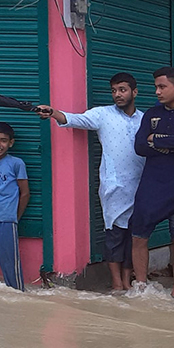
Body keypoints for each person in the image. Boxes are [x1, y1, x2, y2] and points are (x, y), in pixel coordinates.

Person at [38, 72, 144, 291]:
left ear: (135, 92)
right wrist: (53, 113)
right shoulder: (103, 114)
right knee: (115, 235)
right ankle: (116, 282)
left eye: (122, 90)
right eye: (114, 91)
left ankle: (127, 279)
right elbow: (76, 119)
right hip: (114, 188)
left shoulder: (144, 119)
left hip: (141, 187)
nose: (117, 95)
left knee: (134, 237)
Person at [130, 67, 174, 300]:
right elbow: (140, 146)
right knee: (139, 234)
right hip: (152, 184)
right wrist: (173, 142)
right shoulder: (151, 114)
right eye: (156, 87)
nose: (157, 92)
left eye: (162, 87)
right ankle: (141, 288)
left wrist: (157, 139)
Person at [0, 123, 29, 291]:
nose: (0, 145)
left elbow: (24, 193)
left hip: (7, 220)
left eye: (3, 141)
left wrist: (14, 217)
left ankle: (19, 295)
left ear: (11, 143)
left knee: (10, 264)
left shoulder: (16, 164)